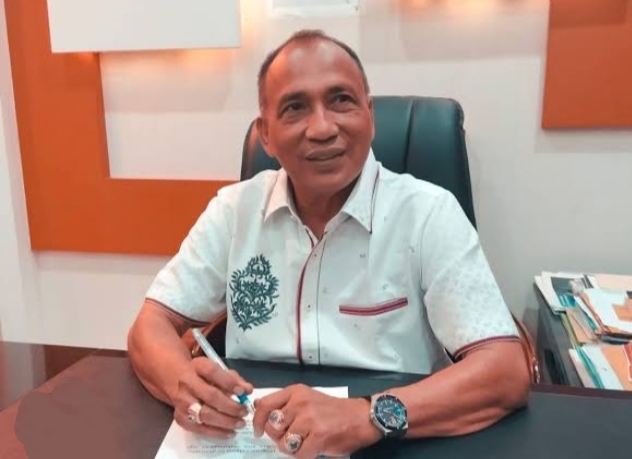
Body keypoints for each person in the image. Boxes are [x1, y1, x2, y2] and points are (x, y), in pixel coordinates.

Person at [127, 29, 531, 459]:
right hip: (258, 439)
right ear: (266, 135)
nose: (322, 128)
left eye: (341, 100)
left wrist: (367, 416)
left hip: (395, 442)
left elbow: (505, 370)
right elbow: (151, 325)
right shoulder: (234, 211)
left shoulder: (428, 214)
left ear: (369, 116)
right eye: (295, 107)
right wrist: (183, 384)